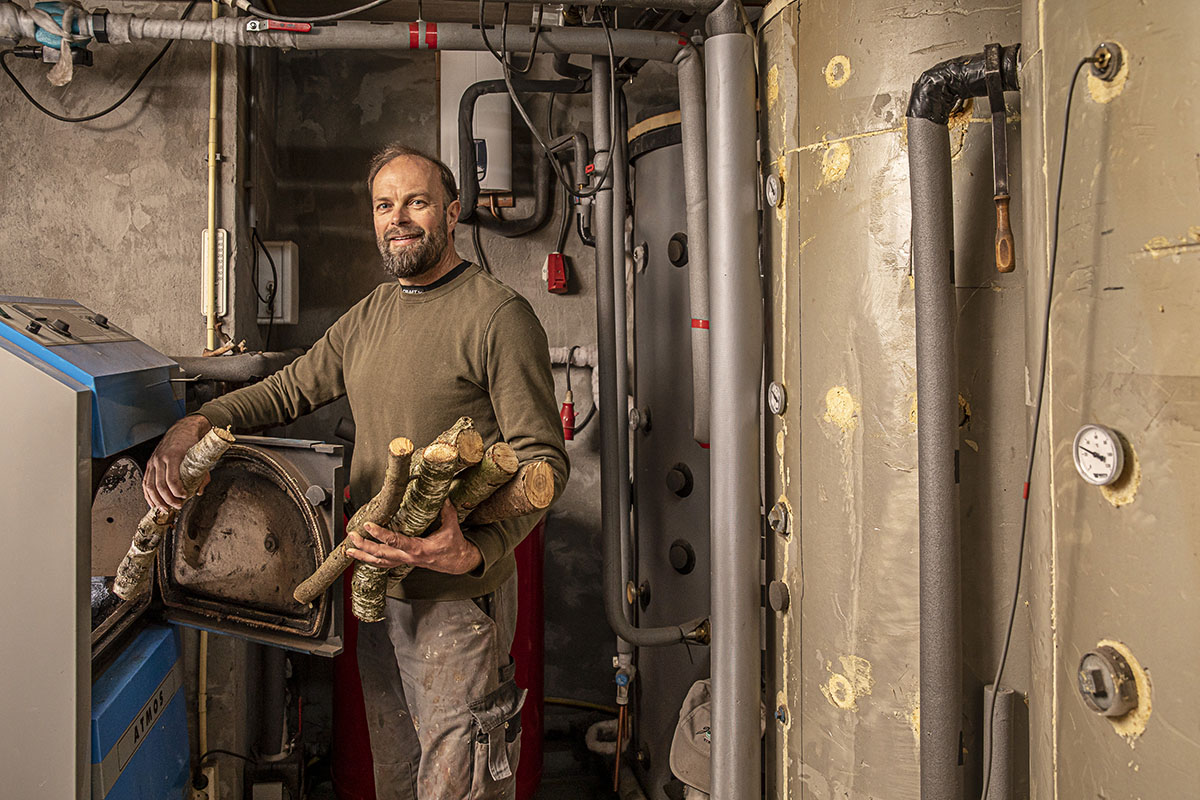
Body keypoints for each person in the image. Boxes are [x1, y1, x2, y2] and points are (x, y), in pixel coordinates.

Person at [143, 144, 569, 800]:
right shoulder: (369, 316)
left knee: (460, 790)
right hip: (376, 593)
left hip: (455, 607)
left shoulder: (496, 316)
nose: (398, 218)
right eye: (384, 204)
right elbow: (283, 391)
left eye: (416, 202)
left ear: (451, 213)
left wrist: (472, 553)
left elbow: (543, 464)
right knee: (395, 779)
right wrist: (193, 426)